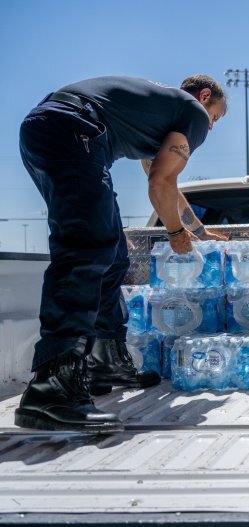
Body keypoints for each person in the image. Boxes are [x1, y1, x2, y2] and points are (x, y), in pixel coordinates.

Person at [15, 75, 229, 433]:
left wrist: (197, 230)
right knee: (86, 248)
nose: (210, 127)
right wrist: (176, 234)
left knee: (113, 252)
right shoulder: (191, 112)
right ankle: (51, 388)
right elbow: (159, 181)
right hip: (74, 130)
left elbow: (166, 182)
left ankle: (105, 360)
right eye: (216, 117)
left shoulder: (158, 112)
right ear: (204, 97)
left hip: (54, 128)